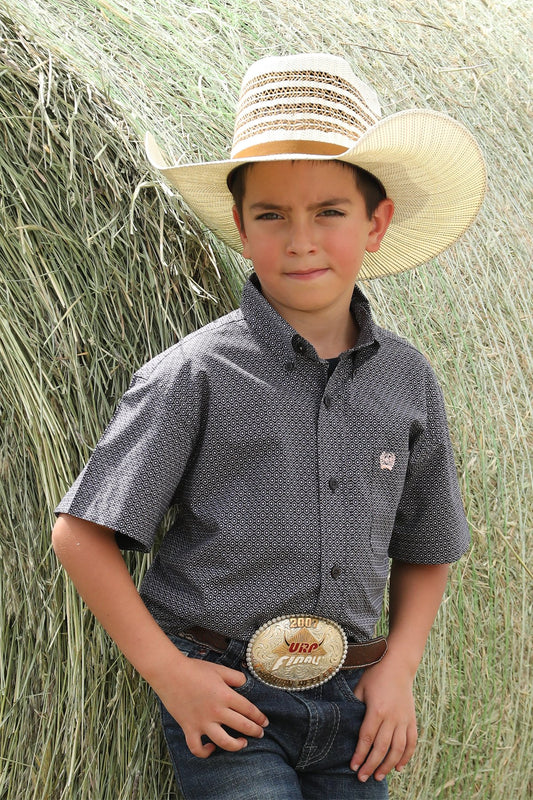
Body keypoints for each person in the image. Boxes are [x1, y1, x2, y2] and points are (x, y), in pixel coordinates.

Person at [52, 53, 486, 799]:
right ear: (241, 228)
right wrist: (171, 674)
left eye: (328, 211)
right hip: (231, 699)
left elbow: (428, 541)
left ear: (376, 222)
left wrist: (399, 668)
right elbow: (80, 533)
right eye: (271, 215)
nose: (300, 239)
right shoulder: (194, 374)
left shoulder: (406, 380)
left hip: (353, 705)